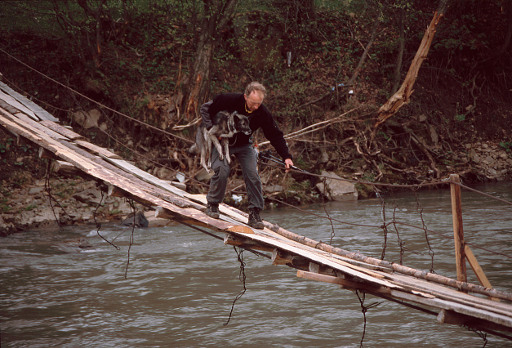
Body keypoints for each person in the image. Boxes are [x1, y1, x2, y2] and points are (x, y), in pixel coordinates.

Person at [200, 82, 293, 229]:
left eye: (259, 104)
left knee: (253, 175)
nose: (255, 107)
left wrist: (286, 156)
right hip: (223, 142)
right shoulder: (228, 100)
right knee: (222, 170)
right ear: (245, 96)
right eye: (253, 103)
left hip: (244, 145)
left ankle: (254, 213)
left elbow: (274, 134)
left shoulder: (262, 112)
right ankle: (212, 204)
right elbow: (206, 108)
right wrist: (212, 128)